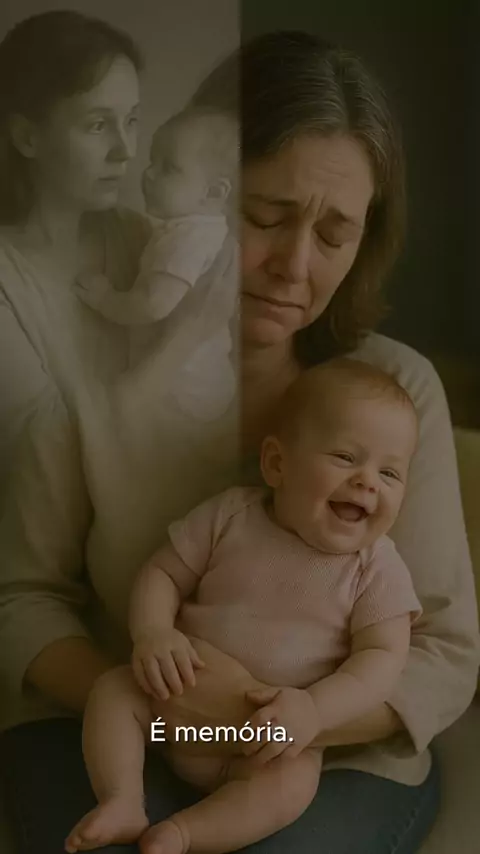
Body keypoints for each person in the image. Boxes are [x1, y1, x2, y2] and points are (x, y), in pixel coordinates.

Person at [0, 15, 477, 854]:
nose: (295, 266)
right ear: (194, 193)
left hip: (329, 757)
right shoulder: (90, 374)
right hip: (121, 725)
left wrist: (267, 723)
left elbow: (442, 650)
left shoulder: (397, 389)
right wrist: (157, 700)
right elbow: (21, 598)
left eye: (334, 233)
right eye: (264, 216)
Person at [65, 358, 422, 854]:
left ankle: (185, 833)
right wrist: (153, 633)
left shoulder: (376, 567)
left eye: (390, 472)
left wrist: (314, 710)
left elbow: (383, 658)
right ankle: (123, 798)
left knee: (292, 784)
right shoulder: (232, 515)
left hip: (266, 745)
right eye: (345, 457)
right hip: (171, 712)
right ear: (277, 464)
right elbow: (163, 573)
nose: (368, 482)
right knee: (113, 692)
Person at [75, 106, 238, 422]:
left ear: (213, 192)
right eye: (153, 160)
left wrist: (106, 298)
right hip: (202, 381)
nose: (149, 173)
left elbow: (153, 305)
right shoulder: (198, 231)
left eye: (168, 168)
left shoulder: (188, 241)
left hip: (185, 390)